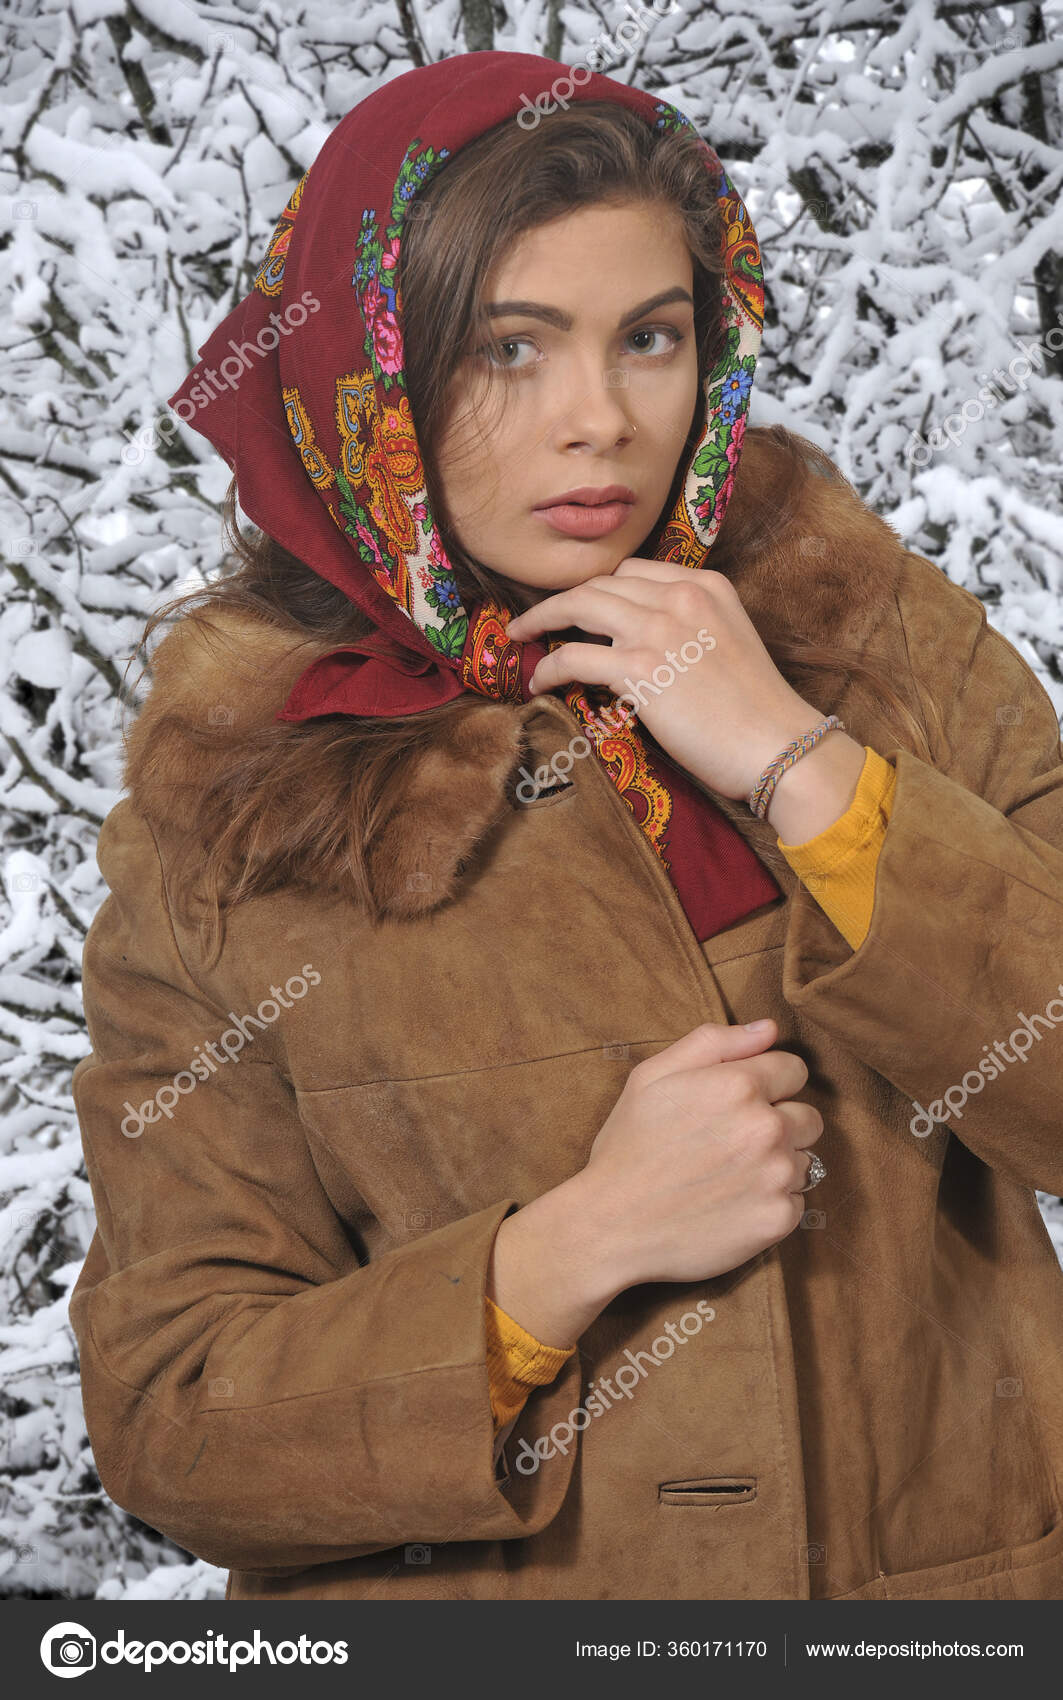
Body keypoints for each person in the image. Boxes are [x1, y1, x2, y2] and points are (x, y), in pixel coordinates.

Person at [69, 51, 1063, 1604]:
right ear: (370, 370)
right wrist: (566, 1252)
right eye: (509, 350)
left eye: (650, 339)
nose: (600, 420)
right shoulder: (227, 809)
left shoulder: (879, 642)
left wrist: (798, 761)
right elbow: (177, 1421)